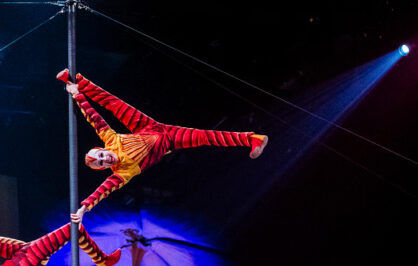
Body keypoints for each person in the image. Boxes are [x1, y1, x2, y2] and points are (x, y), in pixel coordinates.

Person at [58, 70, 267, 224]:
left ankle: (77, 80)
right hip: (170, 139)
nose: (106, 159)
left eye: (102, 155)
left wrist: (77, 93)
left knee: (113, 104)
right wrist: (84, 208)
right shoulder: (123, 172)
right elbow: (103, 190)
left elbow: (94, 118)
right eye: (102, 163)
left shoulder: (111, 140)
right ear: (104, 168)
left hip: (145, 127)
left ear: (102, 149)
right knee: (207, 137)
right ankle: (252, 139)